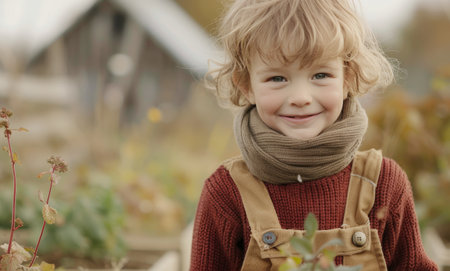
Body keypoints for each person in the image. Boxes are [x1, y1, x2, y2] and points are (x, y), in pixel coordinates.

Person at [190, 0, 438, 270]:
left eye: (320, 74)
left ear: (348, 78)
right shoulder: (227, 193)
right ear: (247, 85)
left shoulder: (385, 185)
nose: (300, 98)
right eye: (277, 79)